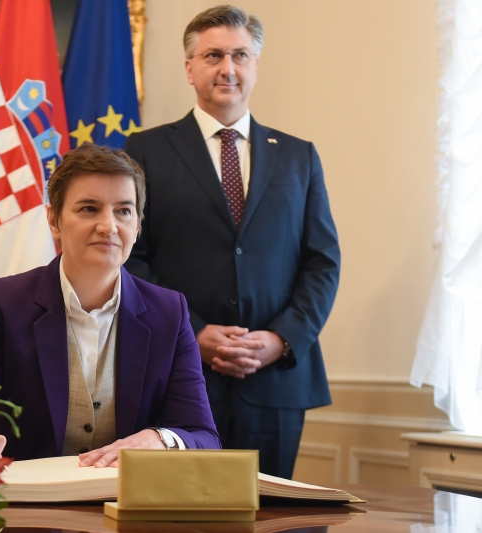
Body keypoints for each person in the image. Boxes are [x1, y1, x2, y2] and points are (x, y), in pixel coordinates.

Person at [123, 5, 340, 479]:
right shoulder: (145, 151)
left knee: (271, 512)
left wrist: (281, 339)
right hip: (181, 374)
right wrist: (191, 332)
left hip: (276, 381)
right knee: (179, 513)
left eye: (240, 55)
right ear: (190, 68)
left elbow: (322, 262)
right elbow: (131, 259)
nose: (228, 68)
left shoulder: (299, 156)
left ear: (255, 65)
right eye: (213, 55)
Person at [0, 144, 220, 467]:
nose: (108, 226)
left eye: (124, 211)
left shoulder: (170, 313)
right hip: (30, 495)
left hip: (125, 496)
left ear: (138, 226)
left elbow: (203, 436)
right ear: (54, 220)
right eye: (89, 209)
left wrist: (160, 439)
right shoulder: (2, 303)